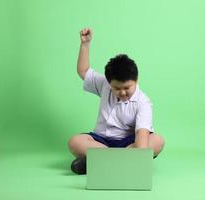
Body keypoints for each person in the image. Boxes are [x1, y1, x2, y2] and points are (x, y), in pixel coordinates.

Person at [68, 28, 165, 174]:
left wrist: (140, 153)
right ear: (109, 83)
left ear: (136, 80)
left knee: (157, 141)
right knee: (74, 142)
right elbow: (83, 71)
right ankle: (117, 161)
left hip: (129, 143)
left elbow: (142, 138)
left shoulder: (143, 102)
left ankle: (98, 162)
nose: (123, 92)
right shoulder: (104, 84)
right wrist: (85, 44)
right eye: (117, 88)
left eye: (127, 87)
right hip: (101, 142)